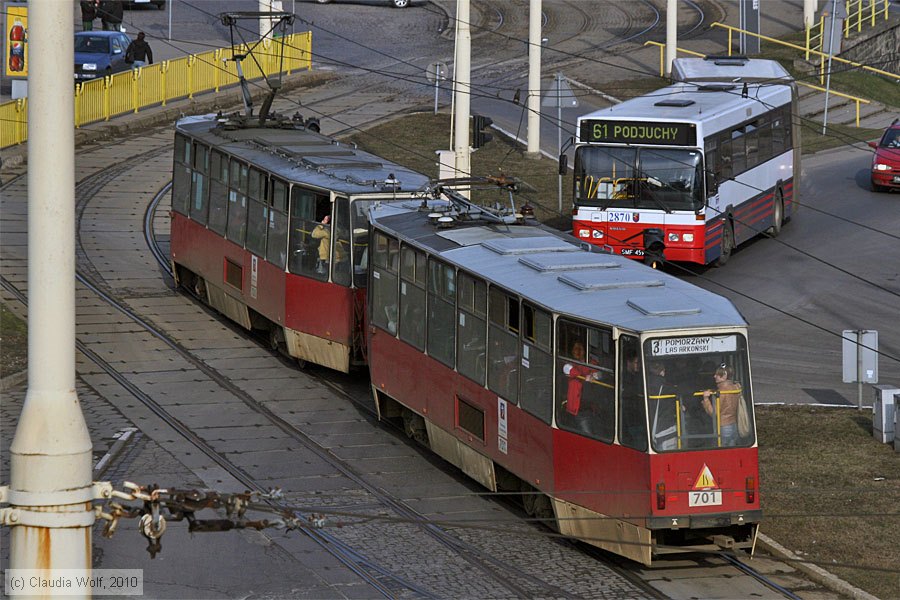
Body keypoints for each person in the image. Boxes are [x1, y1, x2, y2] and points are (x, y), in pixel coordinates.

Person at [701, 364, 742, 446]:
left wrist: (705, 399)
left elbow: (713, 413)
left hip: (723, 426)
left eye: (717, 375)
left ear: (724, 376)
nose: (714, 376)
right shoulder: (736, 387)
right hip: (734, 425)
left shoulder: (721, 392)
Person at [561, 342, 598, 417]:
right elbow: (568, 369)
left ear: (585, 351)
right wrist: (585, 377)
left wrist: (593, 376)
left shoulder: (592, 363)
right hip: (573, 406)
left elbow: (600, 374)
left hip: (588, 406)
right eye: (575, 349)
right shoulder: (570, 364)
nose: (577, 352)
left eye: (580, 349)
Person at [647, 362, 678, 450]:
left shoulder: (644, 384)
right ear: (662, 372)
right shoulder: (667, 387)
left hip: (648, 428)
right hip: (665, 429)